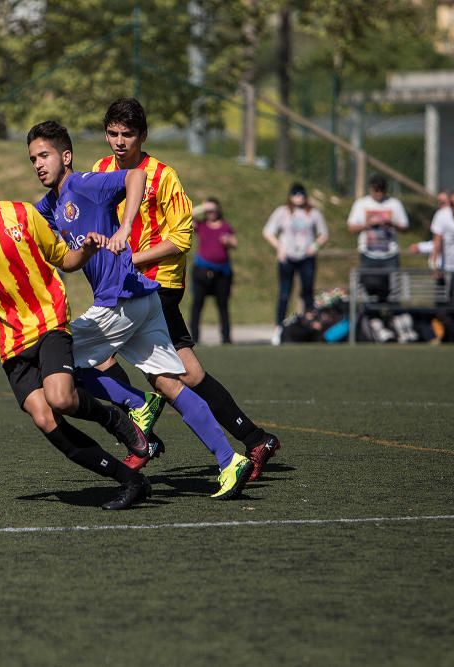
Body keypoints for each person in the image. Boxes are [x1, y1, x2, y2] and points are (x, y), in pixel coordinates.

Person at [30, 120, 253, 500]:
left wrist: (125, 227)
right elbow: (22, 224)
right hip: (143, 298)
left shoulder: (84, 183)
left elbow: (134, 177)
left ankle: (135, 403)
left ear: (65, 156)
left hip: (121, 299)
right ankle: (229, 459)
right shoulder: (50, 205)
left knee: (52, 364)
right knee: (169, 383)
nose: (38, 163)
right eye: (33, 158)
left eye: (45, 155)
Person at [0, 136, 152, 510]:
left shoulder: (22, 215)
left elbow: (64, 260)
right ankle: (129, 479)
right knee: (44, 418)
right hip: (10, 346)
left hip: (48, 322)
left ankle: (115, 419)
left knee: (61, 397)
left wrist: (88, 248)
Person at [91, 97, 281, 481]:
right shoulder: (99, 170)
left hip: (156, 284)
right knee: (189, 374)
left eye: (128, 134)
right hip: (125, 285)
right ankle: (255, 438)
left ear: (142, 135)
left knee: (94, 352)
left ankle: (140, 437)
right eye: (112, 133)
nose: (119, 141)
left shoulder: (163, 175)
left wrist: (134, 258)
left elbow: (180, 238)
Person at [263, 182, 330, 345]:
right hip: (287, 258)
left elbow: (324, 233)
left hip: (306, 257)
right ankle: (279, 328)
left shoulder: (313, 213)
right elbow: (268, 231)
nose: (298, 197)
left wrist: (314, 246)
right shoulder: (283, 212)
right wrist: (280, 247)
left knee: (307, 292)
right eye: (295, 194)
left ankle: (310, 328)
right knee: (284, 293)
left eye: (301, 194)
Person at [347, 174, 409, 302]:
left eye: (382, 190)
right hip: (368, 255)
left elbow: (405, 227)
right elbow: (351, 228)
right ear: (371, 189)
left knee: (392, 293)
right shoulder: (361, 204)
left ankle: (390, 318)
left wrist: (392, 224)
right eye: (376, 190)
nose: (379, 193)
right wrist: (368, 225)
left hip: (390, 255)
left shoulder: (394, 204)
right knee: (369, 290)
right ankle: (372, 317)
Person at [189, 198, 236, 345]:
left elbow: (235, 243)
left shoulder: (225, 227)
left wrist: (228, 241)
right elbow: (186, 216)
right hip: (202, 270)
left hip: (222, 272)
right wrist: (201, 208)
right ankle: (195, 337)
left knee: (223, 305)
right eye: (208, 211)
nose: (211, 213)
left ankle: (226, 338)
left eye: (213, 210)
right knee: (197, 304)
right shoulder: (201, 225)